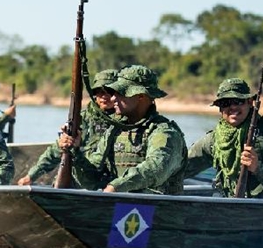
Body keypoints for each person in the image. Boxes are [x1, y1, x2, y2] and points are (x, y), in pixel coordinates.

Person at [70, 65, 187, 194]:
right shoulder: (114, 130)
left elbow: (156, 169)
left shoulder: (165, 133)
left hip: (156, 210)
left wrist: (116, 187)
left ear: (141, 96)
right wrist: (75, 152)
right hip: (118, 207)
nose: (113, 98)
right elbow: (91, 182)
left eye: (120, 93)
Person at [186, 77, 263, 198]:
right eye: (226, 103)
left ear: (250, 102)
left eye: (238, 101)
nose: (232, 107)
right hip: (233, 210)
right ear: (220, 108)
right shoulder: (215, 139)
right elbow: (181, 168)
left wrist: (259, 168)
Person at [17, 69, 118, 189]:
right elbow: (57, 149)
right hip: (81, 183)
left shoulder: (127, 121)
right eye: (99, 91)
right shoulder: (82, 119)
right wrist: (31, 176)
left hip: (111, 185)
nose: (104, 96)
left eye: (109, 91)